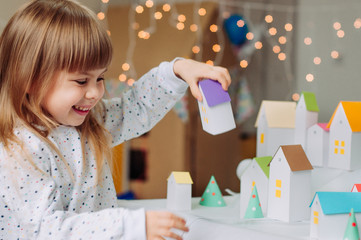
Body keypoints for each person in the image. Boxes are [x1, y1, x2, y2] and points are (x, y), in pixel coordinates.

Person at [0, 0, 231, 239]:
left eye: (100, 78)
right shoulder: (18, 149)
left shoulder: (90, 123)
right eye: (81, 81)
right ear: (31, 80)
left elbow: (138, 107)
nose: (95, 93)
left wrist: (177, 71)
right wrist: (128, 226)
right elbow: (44, 229)